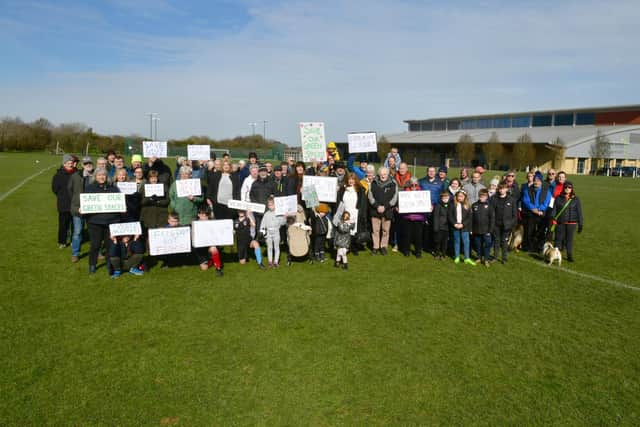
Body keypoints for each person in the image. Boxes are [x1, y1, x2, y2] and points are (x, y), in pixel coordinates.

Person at [83, 168, 121, 275]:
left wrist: (122, 208)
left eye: (103, 175)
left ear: (107, 176)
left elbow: (119, 203)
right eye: (99, 175)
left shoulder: (113, 188)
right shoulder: (89, 188)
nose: (101, 177)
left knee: (110, 245)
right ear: (95, 176)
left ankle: (110, 264)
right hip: (94, 222)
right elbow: (85, 203)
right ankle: (92, 265)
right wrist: (83, 208)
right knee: (95, 245)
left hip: (111, 221)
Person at [68, 156, 94, 262]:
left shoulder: (96, 175)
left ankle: (98, 252)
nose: (88, 165)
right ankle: (75, 253)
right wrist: (77, 205)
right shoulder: (75, 176)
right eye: (86, 163)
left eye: (90, 163)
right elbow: (70, 191)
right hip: (78, 209)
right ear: (82, 165)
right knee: (78, 232)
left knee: (94, 232)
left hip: (93, 210)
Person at [335, 173, 368, 255]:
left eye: (352, 179)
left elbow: (363, 203)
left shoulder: (360, 189)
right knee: (345, 231)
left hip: (355, 212)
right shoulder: (343, 189)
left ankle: (354, 247)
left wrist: (361, 213)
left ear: (355, 180)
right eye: (349, 179)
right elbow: (339, 201)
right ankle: (346, 247)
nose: (351, 181)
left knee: (354, 231)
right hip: (345, 213)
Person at [368, 167, 398, 255]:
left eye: (384, 174)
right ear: (378, 174)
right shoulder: (373, 182)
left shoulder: (393, 183)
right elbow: (370, 196)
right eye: (381, 174)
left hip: (387, 210)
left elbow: (394, 198)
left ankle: (383, 246)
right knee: (375, 230)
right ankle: (375, 247)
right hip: (375, 210)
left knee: (386, 230)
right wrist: (377, 206)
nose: (383, 176)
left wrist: (385, 207)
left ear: (388, 174)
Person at [551, 181, 583, 262]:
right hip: (560, 222)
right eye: (566, 187)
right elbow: (554, 210)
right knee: (558, 239)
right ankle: (555, 254)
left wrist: (580, 224)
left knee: (569, 240)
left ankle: (569, 255)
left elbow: (579, 212)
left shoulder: (576, 199)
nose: (567, 189)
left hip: (571, 223)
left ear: (572, 189)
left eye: (569, 187)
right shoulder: (558, 198)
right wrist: (553, 219)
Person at [51, 154, 77, 248]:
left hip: (75, 204)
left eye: (71, 163)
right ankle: (62, 242)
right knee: (63, 225)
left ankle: (74, 241)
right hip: (64, 204)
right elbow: (55, 189)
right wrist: (62, 196)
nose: (70, 164)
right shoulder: (58, 175)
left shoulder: (77, 173)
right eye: (68, 163)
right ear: (64, 164)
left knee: (75, 225)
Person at [521, 171, 552, 252]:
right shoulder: (527, 190)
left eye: (538, 180)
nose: (536, 182)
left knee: (541, 232)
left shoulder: (547, 191)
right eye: (535, 180)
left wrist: (540, 209)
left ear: (541, 182)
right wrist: (533, 209)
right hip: (531, 214)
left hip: (542, 214)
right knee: (530, 232)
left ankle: (539, 247)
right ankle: (530, 247)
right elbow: (526, 200)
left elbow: (547, 202)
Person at [398, 177, 425, 258]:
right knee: (407, 235)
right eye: (412, 184)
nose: (413, 186)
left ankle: (418, 251)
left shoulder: (422, 193)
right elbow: (400, 203)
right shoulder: (405, 192)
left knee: (418, 236)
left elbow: (426, 203)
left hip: (418, 218)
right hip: (407, 217)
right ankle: (406, 251)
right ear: (409, 184)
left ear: (418, 185)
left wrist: (430, 207)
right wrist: (399, 208)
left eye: (415, 184)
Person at [491, 182, 518, 264]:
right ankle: (495, 257)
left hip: (507, 225)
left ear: (506, 189)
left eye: (503, 188)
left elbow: (514, 215)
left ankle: (504, 258)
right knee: (496, 240)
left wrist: (510, 224)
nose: (501, 190)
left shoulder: (511, 200)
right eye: (500, 188)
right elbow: (491, 212)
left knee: (504, 242)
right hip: (496, 224)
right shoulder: (494, 198)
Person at [193, 205, 223, 276]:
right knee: (204, 268)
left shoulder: (212, 223)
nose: (204, 217)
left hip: (209, 246)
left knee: (214, 248)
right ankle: (210, 260)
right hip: (200, 248)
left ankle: (218, 268)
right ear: (198, 214)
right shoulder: (194, 224)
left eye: (206, 215)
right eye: (202, 214)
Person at [448, 190, 475, 265]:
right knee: (457, 241)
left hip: (464, 227)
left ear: (464, 197)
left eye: (461, 196)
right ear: (456, 196)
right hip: (455, 226)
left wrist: (463, 224)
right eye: (458, 196)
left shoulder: (467, 205)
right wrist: (454, 224)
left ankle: (467, 258)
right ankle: (457, 256)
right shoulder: (452, 204)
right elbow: (450, 216)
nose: (459, 198)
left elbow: (469, 217)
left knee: (466, 242)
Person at [419, 166, 441, 253]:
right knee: (423, 227)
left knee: (433, 228)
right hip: (423, 208)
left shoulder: (440, 183)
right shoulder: (421, 181)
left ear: (435, 172)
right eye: (429, 171)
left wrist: (434, 206)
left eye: (433, 171)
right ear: (427, 172)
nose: (431, 173)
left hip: (435, 208)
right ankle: (422, 245)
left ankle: (431, 246)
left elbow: (442, 196)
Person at [260, 197, 287, 268]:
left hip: (276, 232)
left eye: (272, 205)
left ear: (275, 205)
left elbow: (282, 223)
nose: (270, 207)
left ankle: (276, 262)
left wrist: (284, 217)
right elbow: (262, 225)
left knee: (276, 247)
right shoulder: (266, 214)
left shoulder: (278, 213)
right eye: (269, 205)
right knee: (269, 247)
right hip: (268, 233)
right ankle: (270, 262)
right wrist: (264, 234)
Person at [471, 188, 494, 266]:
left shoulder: (490, 206)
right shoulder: (474, 205)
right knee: (478, 244)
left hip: (486, 230)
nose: (482, 198)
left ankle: (486, 259)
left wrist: (490, 230)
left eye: (484, 196)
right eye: (480, 196)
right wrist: (471, 229)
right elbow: (471, 218)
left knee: (487, 244)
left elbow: (492, 219)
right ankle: (479, 257)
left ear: (487, 197)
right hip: (476, 229)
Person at [432, 191, 451, 260]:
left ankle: (443, 254)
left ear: (449, 198)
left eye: (447, 197)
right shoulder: (438, 205)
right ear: (441, 198)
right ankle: (436, 254)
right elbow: (435, 217)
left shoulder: (450, 205)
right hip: (439, 227)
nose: (445, 199)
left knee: (445, 242)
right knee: (438, 241)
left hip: (447, 227)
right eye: (444, 197)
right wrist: (435, 227)